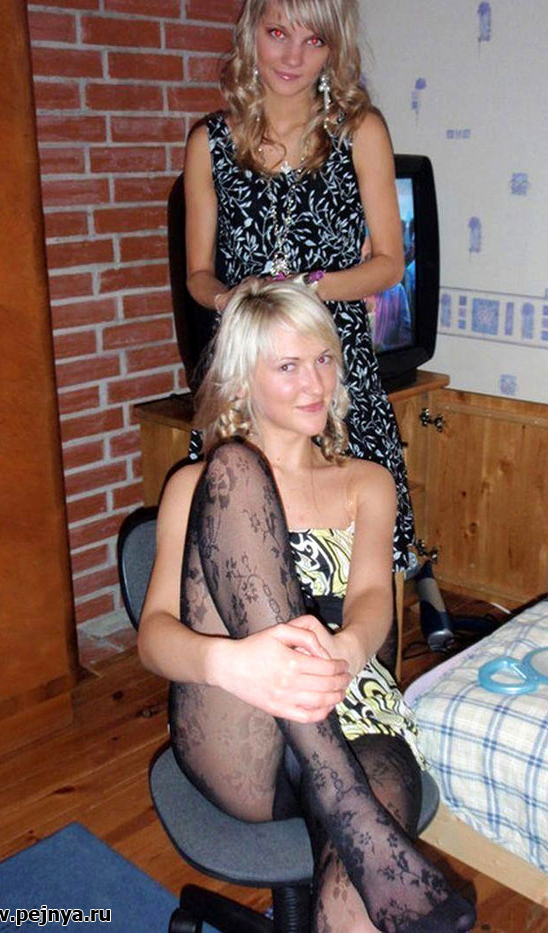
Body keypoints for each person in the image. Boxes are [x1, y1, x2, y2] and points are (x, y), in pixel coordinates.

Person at [139, 279, 476, 932]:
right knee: (234, 471)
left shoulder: (366, 482)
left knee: (363, 891)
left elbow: (374, 599)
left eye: (323, 358)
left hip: (352, 705)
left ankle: (349, 810)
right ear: (243, 380)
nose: (316, 382)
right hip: (238, 719)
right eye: (288, 366)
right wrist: (230, 663)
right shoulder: (196, 485)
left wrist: (346, 649)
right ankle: (349, 804)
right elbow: (153, 636)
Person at [183, 0, 414, 576]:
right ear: (251, 35)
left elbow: (389, 264)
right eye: (278, 33)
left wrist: (312, 288)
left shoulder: (361, 131)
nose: (293, 56)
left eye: (314, 41)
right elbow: (197, 275)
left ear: (333, 49)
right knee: (239, 548)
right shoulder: (209, 142)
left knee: (362, 556)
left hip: (333, 366)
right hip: (251, 368)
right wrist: (230, 299)